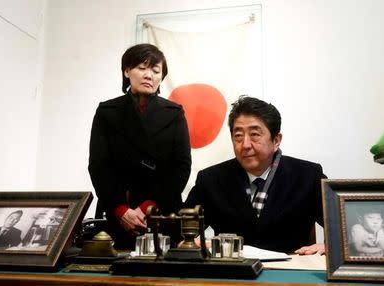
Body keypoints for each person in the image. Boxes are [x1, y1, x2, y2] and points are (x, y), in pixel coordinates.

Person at [185, 95, 326, 254]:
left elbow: (345, 227)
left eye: (254, 135)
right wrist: (192, 243)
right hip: (234, 273)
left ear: (276, 140)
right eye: (238, 136)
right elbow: (181, 230)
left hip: (291, 272)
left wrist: (329, 246)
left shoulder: (308, 176)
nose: (245, 145)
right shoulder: (211, 179)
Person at [88, 43, 191, 249]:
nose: (149, 75)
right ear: (127, 71)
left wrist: (147, 208)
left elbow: (181, 167)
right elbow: (99, 166)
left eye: (155, 70)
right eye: (142, 68)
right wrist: (120, 210)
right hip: (118, 212)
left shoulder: (174, 113)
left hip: (161, 212)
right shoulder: (107, 111)